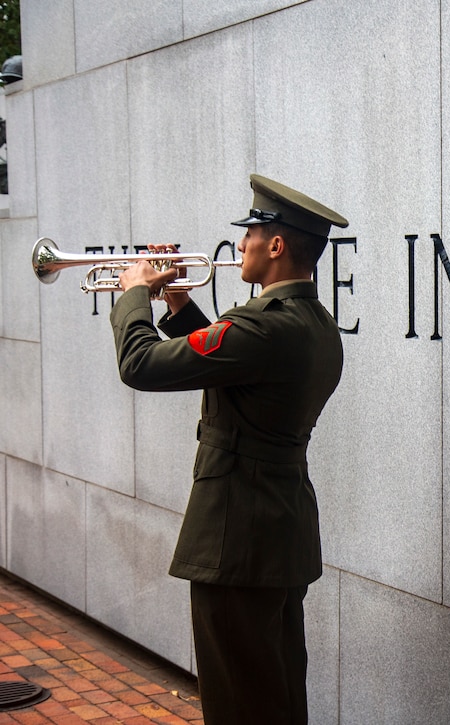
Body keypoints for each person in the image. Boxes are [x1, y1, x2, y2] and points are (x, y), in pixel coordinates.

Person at [109, 174, 349, 724]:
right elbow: (237, 369)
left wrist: (132, 297)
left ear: (276, 244)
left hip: (236, 539)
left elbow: (139, 364)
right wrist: (177, 302)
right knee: (274, 692)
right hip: (278, 533)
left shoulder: (262, 328)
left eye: (248, 233)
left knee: (238, 703)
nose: (239, 244)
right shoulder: (313, 326)